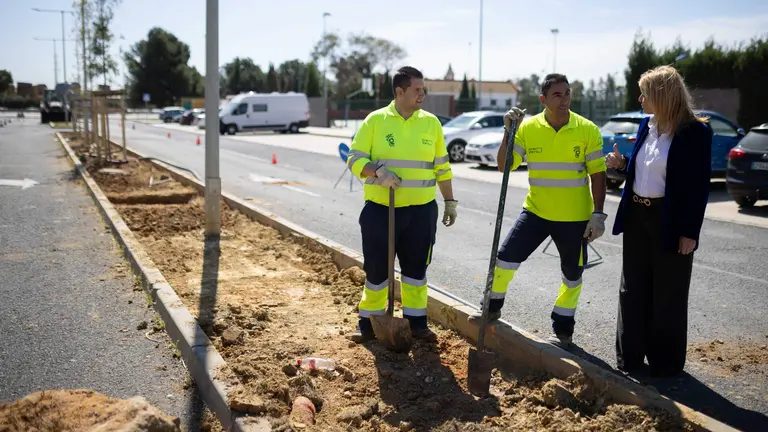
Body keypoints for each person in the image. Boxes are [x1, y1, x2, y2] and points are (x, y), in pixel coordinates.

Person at [468, 73, 607, 350]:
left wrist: (598, 214)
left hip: (575, 218)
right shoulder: (528, 128)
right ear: (543, 99)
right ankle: (491, 307)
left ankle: (563, 330)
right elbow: (504, 165)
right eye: (557, 95)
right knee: (505, 259)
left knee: (572, 274)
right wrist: (509, 131)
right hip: (536, 212)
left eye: (567, 93)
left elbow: (598, 174)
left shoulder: (587, 129)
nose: (564, 99)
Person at [608, 65, 712, 377]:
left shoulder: (695, 133)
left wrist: (689, 232)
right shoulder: (646, 126)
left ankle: (665, 364)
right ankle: (630, 358)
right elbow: (646, 171)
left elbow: (697, 187)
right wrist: (623, 164)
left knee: (668, 292)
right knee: (633, 288)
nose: (640, 98)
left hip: (670, 219)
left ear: (662, 96)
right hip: (638, 216)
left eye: (646, 93)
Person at [346, 66, 458, 343]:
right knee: (376, 270)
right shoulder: (376, 121)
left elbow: (442, 167)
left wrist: (450, 201)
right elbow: (353, 158)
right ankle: (369, 323)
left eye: (423, 89)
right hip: (380, 212)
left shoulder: (431, 123)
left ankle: (416, 322)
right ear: (400, 91)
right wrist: (377, 172)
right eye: (417, 89)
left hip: (421, 212)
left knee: (416, 270)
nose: (423, 94)